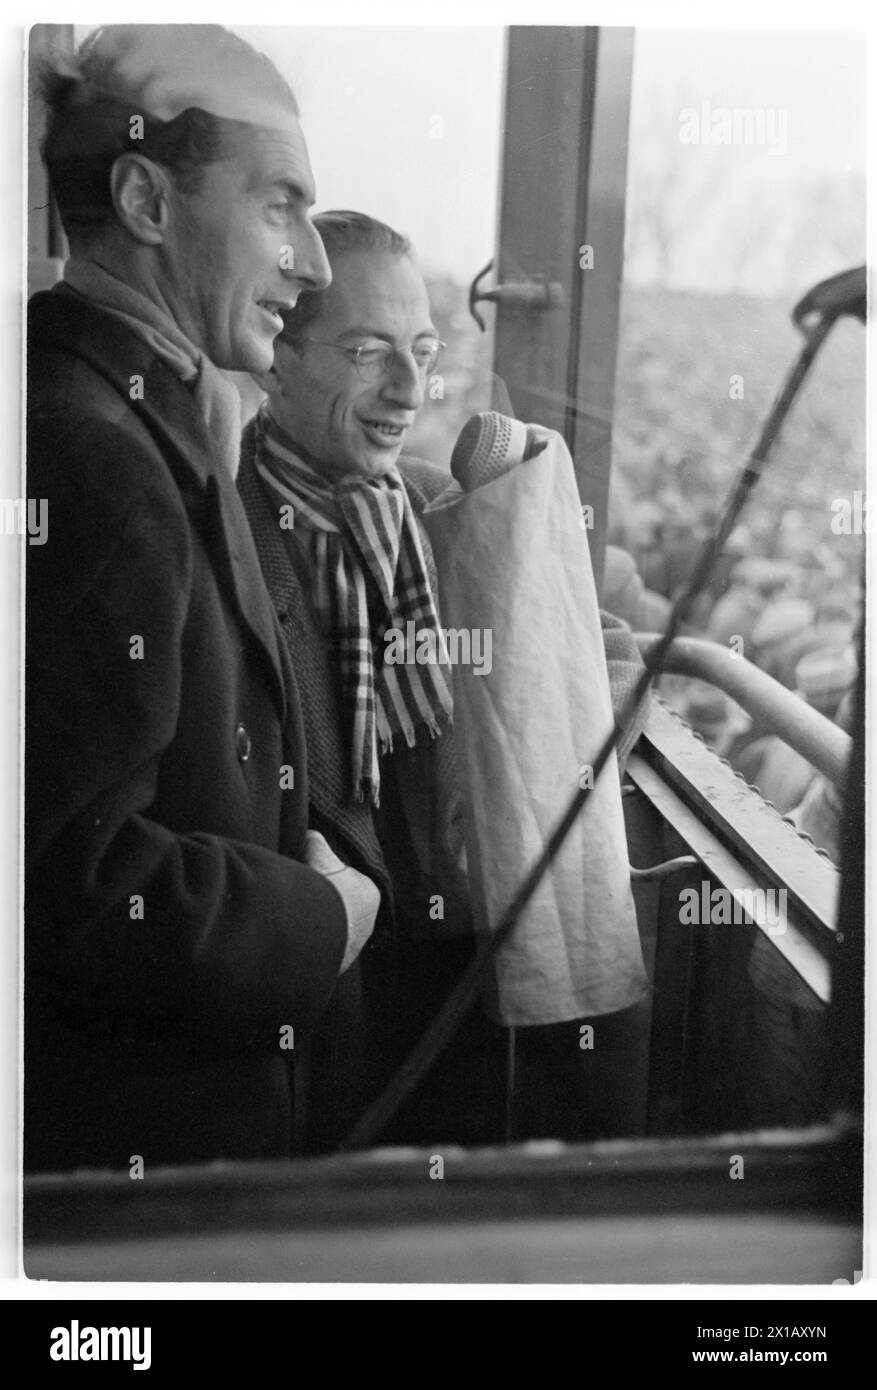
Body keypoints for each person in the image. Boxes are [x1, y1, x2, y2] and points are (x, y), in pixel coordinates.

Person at [26, 26, 381, 1173]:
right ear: (144, 198)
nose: (314, 265)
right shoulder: (93, 460)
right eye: (281, 206)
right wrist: (320, 921)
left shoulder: (134, 412)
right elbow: (62, 883)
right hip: (131, 1170)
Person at [238, 210, 652, 1148]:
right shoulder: (230, 532)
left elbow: (592, 659)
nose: (409, 390)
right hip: (322, 979)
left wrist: (559, 729)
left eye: (422, 352)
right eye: (366, 351)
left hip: (466, 966)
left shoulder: (439, 504)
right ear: (276, 355)